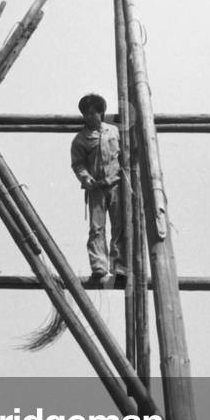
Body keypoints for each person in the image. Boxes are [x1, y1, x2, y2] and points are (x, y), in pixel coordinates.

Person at [70, 92, 126, 287]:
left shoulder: (114, 132)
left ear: (101, 113)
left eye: (95, 112)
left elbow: (125, 155)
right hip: (96, 188)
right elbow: (78, 164)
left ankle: (120, 267)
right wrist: (86, 178)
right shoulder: (81, 139)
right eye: (88, 113)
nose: (91, 116)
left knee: (120, 226)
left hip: (116, 184)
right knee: (97, 229)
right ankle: (99, 266)